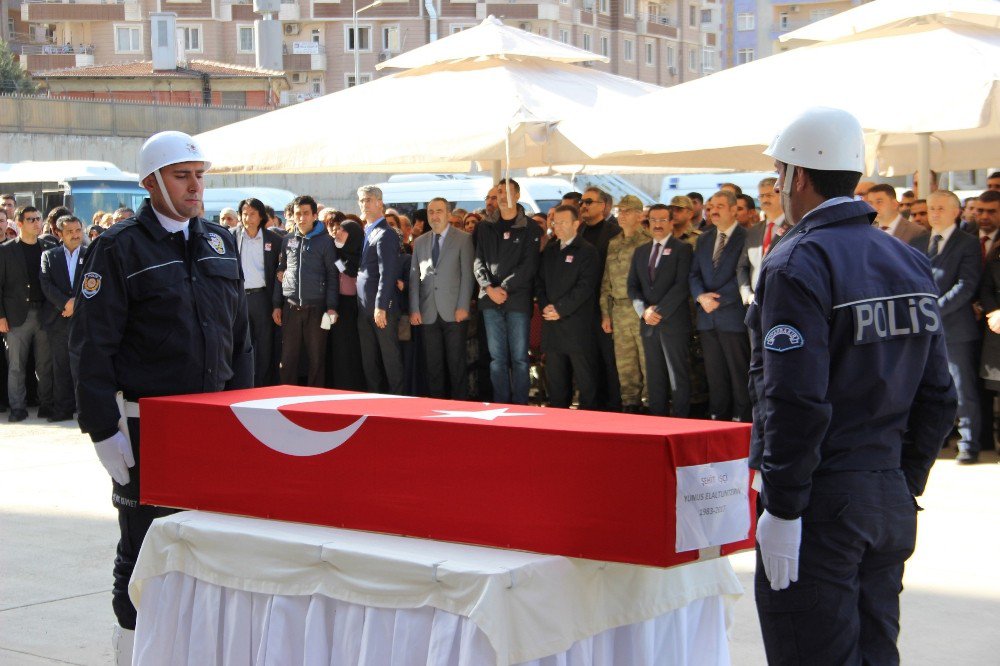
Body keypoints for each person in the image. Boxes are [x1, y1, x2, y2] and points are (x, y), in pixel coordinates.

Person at [748, 107, 956, 665]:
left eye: (779, 173)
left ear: (800, 177)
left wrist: (785, 506)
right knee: (874, 652)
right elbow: (939, 395)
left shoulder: (796, 260)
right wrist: (898, 480)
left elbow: (794, 398)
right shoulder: (906, 257)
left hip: (823, 497)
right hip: (885, 490)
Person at [69, 130, 252, 665]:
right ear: (151, 182)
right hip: (147, 425)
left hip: (211, 422)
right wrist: (102, 427)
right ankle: (132, 648)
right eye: (182, 175)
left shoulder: (219, 240)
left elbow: (240, 340)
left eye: (199, 174)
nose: (196, 186)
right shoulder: (118, 247)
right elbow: (91, 348)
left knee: (210, 542)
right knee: (143, 546)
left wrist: (242, 413)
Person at [911, 190, 982, 464]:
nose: (934, 213)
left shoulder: (968, 243)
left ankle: (968, 443)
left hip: (955, 328)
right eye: (931, 208)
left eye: (941, 208)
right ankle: (933, 440)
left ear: (956, 211)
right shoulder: (918, 242)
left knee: (962, 389)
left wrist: (932, 312)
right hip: (921, 329)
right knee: (927, 389)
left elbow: (966, 286)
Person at [473, 178, 542, 405]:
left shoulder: (531, 227)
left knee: (520, 359)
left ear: (518, 196)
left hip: (517, 300)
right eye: (498, 192)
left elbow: (529, 265)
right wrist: (488, 288)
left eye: (506, 192)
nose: (501, 196)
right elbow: (478, 261)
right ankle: (502, 403)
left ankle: (520, 404)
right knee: (497, 359)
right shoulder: (484, 226)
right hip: (490, 299)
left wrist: (504, 288)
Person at [689, 190, 751, 422]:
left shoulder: (746, 237)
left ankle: (742, 418)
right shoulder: (704, 238)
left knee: (738, 372)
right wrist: (701, 297)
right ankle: (718, 417)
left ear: (734, 210)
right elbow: (694, 274)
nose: (713, 210)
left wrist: (718, 299)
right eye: (711, 206)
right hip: (707, 317)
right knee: (715, 374)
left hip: (732, 316)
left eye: (720, 206)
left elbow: (744, 274)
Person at [627, 203, 693, 416]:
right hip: (648, 324)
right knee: (654, 377)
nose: (657, 224)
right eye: (653, 220)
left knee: (677, 376)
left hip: (673, 322)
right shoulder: (641, 251)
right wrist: (644, 311)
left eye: (662, 220)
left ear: (671, 222)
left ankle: (681, 422)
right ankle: (658, 420)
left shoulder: (683, 249)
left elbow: (682, 285)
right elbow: (633, 286)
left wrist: (660, 311)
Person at [409, 197, 474, 399]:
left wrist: (463, 305)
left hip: (455, 312)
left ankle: (460, 409)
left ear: (448, 214)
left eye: (438, 211)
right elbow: (413, 278)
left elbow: (467, 276)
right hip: (428, 313)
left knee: (456, 365)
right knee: (433, 367)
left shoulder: (463, 239)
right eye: (430, 212)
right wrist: (414, 308)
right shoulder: (420, 242)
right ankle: (437, 409)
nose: (434, 216)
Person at [536, 205, 600, 409]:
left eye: (563, 222)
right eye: (555, 222)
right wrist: (546, 306)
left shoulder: (588, 251)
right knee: (556, 383)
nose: (558, 227)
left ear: (576, 223)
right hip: (553, 328)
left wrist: (560, 309)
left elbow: (585, 287)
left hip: (577, 328)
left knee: (586, 382)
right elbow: (540, 282)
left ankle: (589, 426)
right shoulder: (551, 250)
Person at [272, 195, 339, 388]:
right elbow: (281, 271)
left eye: (306, 213)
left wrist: (332, 307)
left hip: (317, 309)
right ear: (292, 216)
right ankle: (286, 399)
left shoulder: (326, 241)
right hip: (291, 307)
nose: (301, 218)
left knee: (317, 359)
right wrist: (277, 304)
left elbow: (333, 275)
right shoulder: (287, 240)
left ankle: (314, 401)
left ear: (314, 215)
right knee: (287, 360)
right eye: (297, 214)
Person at [0, 206, 57, 422]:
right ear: (20, 223)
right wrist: (1, 316)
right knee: (16, 365)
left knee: (44, 364)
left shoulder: (48, 247)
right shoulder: (5, 251)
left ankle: (46, 404)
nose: (36, 223)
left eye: (38, 218)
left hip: (43, 314)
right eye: (31, 219)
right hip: (16, 316)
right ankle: (17, 407)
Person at [600, 195, 651, 413]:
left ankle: (650, 405)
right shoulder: (614, 243)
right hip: (619, 310)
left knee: (647, 362)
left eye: (628, 211)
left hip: (641, 310)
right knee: (625, 365)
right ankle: (630, 405)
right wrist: (605, 313)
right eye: (620, 211)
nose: (622, 216)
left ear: (640, 215)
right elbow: (606, 281)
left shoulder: (648, 242)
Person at [356, 185, 404, 394]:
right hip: (364, 307)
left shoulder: (386, 233)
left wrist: (381, 306)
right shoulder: (367, 231)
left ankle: (399, 403)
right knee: (369, 361)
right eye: (361, 200)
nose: (364, 204)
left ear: (379, 203)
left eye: (368, 200)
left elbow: (388, 272)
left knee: (390, 359)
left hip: (380, 308)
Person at [39, 214, 86, 422]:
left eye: (78, 230)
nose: (75, 235)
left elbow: (97, 282)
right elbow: (46, 283)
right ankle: (63, 409)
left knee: (84, 366)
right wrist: (65, 303)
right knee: (60, 366)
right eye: (70, 232)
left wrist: (76, 304)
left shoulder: (91, 253)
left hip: (83, 319)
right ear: (59, 233)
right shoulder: (50, 256)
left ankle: (85, 409)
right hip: (58, 318)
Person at [579, 186, 622, 411]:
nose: (583, 206)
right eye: (582, 202)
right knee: (588, 361)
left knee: (609, 361)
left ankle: (613, 407)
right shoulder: (578, 232)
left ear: (603, 206)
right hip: (582, 309)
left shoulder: (615, 233)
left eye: (589, 201)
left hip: (606, 308)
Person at [234, 197, 282, 386]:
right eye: (245, 213)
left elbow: (279, 271)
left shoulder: (274, 240)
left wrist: (276, 304)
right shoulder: (231, 236)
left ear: (261, 216)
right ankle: (244, 382)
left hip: (263, 297)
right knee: (242, 342)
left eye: (252, 214)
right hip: (239, 297)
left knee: (264, 344)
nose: (248, 218)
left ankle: (263, 383)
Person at [327, 217, 366, 390]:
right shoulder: (335, 253)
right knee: (337, 349)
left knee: (351, 350)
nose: (338, 233)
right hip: (336, 305)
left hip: (354, 308)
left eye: (343, 230)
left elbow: (350, 271)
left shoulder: (362, 256)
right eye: (338, 229)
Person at [737, 177, 788, 307]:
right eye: (761, 196)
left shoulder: (794, 228)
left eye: (769, 195)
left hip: (782, 302)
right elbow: (742, 266)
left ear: (782, 195)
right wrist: (747, 294)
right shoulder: (753, 231)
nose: (765, 200)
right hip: (755, 304)